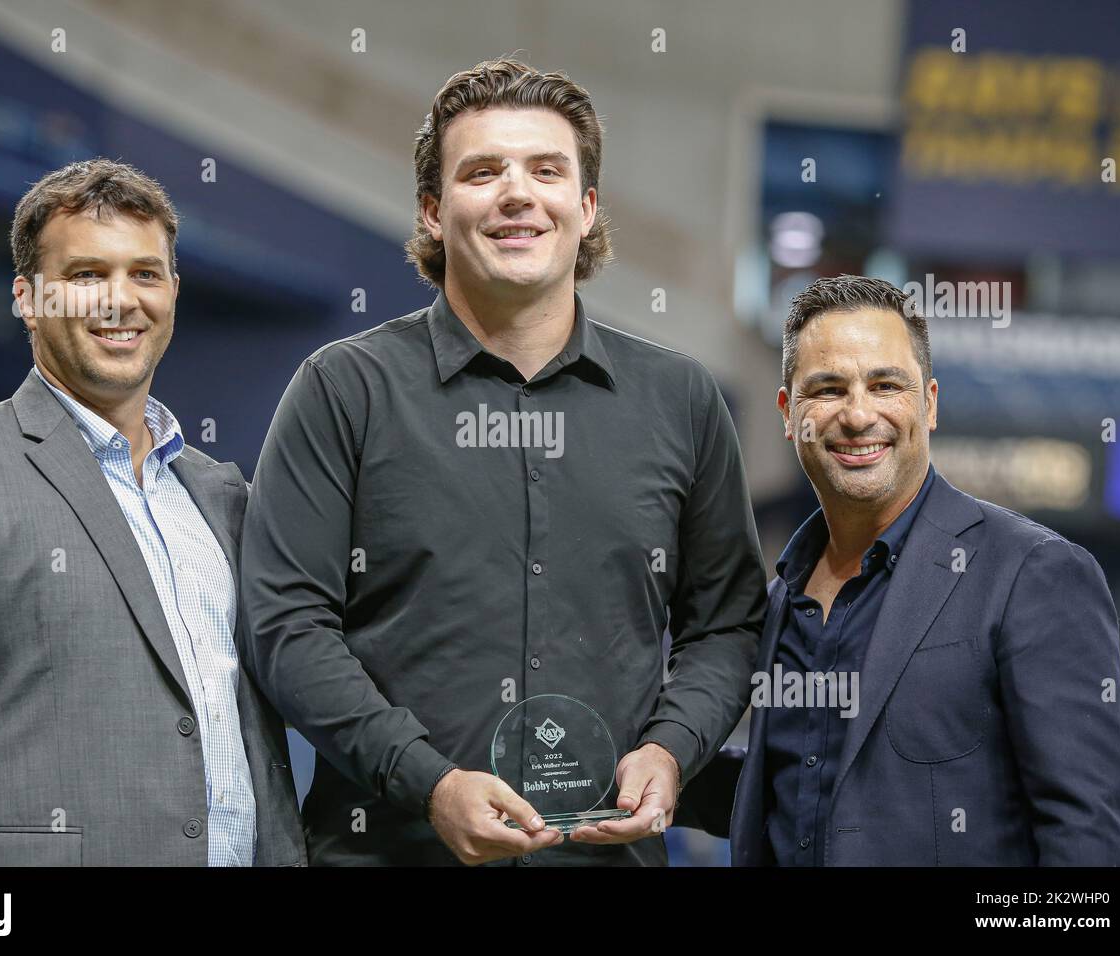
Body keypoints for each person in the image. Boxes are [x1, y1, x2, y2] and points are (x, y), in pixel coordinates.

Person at [240, 58, 768, 866]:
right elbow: (286, 625)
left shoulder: (682, 402)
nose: (517, 194)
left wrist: (671, 749)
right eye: (482, 172)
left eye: (547, 171)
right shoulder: (344, 391)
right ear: (431, 210)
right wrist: (428, 781)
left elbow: (727, 623)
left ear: (586, 208)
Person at [0, 159, 304, 866]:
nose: (120, 300)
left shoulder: (222, 496)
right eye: (87, 276)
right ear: (28, 299)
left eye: (145, 274)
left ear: (173, 294)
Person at [685, 274, 1120, 866]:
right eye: (827, 389)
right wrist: (643, 767)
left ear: (929, 404)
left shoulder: (1034, 574)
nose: (858, 414)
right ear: (789, 413)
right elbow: (811, 790)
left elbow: (1087, 844)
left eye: (885, 384)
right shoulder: (778, 599)